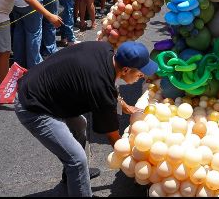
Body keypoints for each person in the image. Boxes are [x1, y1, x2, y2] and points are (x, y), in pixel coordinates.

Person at [15, 41, 157, 197]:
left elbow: (109, 83)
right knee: (77, 160)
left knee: (79, 126)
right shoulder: (102, 88)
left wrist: (122, 104)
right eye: (140, 73)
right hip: (33, 106)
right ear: (125, 69)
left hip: (44, 89)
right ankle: (77, 176)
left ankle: (73, 177)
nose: (142, 76)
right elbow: (113, 137)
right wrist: (135, 162)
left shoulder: (105, 49)